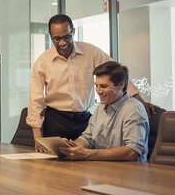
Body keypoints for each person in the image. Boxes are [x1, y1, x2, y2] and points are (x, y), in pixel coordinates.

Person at [27, 14, 156, 152]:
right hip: (56, 120)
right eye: (57, 39)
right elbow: (36, 100)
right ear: (51, 36)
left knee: (85, 159)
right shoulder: (42, 62)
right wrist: (38, 138)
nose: (62, 43)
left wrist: (138, 100)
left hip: (84, 119)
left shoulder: (91, 52)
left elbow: (116, 73)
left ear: (73, 32)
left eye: (66, 37)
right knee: (55, 166)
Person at [59, 61, 149, 162]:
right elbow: (87, 138)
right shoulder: (100, 108)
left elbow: (132, 152)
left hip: (128, 173)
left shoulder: (134, 109)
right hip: (102, 170)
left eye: (103, 86)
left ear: (121, 85)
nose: (98, 91)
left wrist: (88, 154)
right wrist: (71, 147)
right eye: (96, 86)